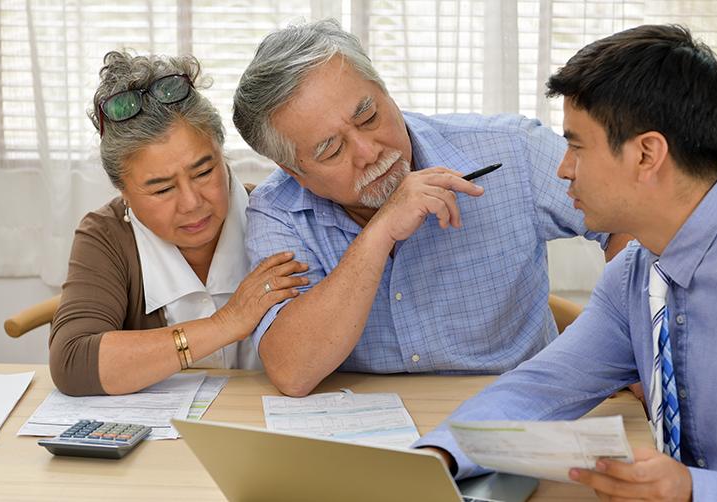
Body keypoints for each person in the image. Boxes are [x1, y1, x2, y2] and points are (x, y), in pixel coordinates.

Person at [416, 25, 717, 501]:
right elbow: (542, 389)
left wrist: (695, 491)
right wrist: (434, 458)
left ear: (646, 154)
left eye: (577, 146)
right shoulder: (636, 274)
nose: (562, 169)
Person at [232, 19, 625, 397]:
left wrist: (621, 344)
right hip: (367, 426)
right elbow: (293, 372)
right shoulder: (278, 210)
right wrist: (380, 233)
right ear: (295, 172)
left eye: (369, 117)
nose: (368, 152)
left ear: (386, 92)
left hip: (518, 407)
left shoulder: (513, 149)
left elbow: (632, 217)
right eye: (331, 150)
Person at [49, 51, 308, 396]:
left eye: (204, 172)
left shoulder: (280, 215)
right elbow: (73, 362)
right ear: (124, 192)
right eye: (162, 189)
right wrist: (225, 323)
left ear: (221, 152)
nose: (191, 203)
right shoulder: (106, 235)